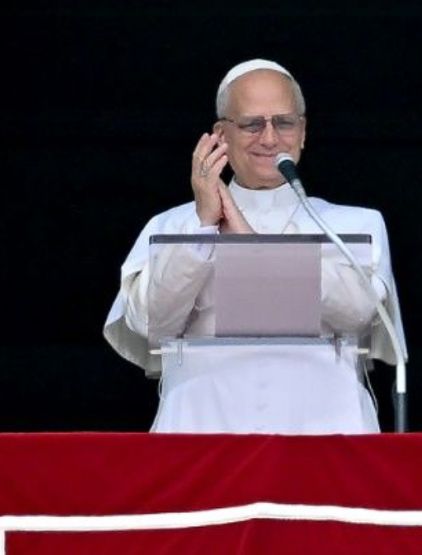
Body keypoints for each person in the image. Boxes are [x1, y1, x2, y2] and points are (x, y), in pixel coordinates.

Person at [104, 59, 406, 434]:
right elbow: (150, 322)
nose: (269, 138)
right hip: (202, 432)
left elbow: (358, 313)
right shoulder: (172, 225)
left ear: (303, 131)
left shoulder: (354, 225)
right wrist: (203, 229)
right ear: (220, 134)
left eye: (284, 122)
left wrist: (248, 244)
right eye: (251, 124)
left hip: (327, 431)